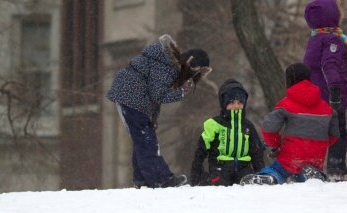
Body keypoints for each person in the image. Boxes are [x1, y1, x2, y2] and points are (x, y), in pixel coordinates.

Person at [106, 34, 211, 188]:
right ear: (189, 64)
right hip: (130, 97)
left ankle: (142, 179)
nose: (189, 80)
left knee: (143, 139)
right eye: (192, 75)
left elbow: (155, 98)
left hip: (133, 98)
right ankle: (161, 179)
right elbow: (159, 95)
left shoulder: (166, 64)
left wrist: (152, 119)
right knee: (147, 141)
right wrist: (183, 90)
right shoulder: (167, 65)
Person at [240, 63, 338, 185]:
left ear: (289, 81)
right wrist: (319, 144)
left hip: (292, 154)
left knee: (278, 169)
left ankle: (269, 177)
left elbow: (269, 127)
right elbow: (334, 135)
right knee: (306, 174)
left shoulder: (286, 104)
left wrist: (276, 145)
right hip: (316, 155)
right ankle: (313, 176)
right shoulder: (326, 108)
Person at [303, 0, 347, 181]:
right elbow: (329, 65)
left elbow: (331, 64)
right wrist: (335, 89)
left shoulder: (315, 39)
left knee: (318, 133)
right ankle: (336, 168)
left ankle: (311, 166)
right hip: (330, 96)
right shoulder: (332, 39)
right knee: (338, 133)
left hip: (315, 96)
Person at [189, 79, 264, 186]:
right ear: (224, 104)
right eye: (232, 102)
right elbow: (201, 150)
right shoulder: (214, 124)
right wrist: (196, 172)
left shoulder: (247, 126)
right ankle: (208, 181)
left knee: (249, 182)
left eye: (240, 102)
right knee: (219, 182)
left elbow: (256, 151)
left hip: (243, 167)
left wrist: (261, 172)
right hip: (220, 167)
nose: (236, 106)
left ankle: (250, 180)